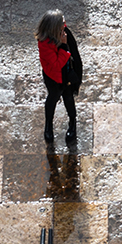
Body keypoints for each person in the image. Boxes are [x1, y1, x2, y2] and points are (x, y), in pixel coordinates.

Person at [36, 8, 81, 144]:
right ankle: (48, 125)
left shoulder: (65, 32)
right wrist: (63, 46)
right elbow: (56, 64)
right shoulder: (44, 42)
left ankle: (72, 122)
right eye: (62, 22)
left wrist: (77, 76)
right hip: (53, 77)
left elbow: (75, 55)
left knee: (69, 98)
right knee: (52, 99)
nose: (65, 23)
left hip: (67, 75)